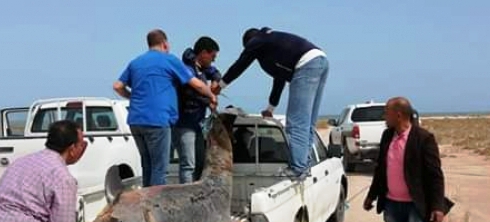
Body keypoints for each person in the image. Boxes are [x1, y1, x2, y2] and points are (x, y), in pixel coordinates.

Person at [362, 97, 449, 222]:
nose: (384, 117)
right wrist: (372, 195)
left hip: (416, 204)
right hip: (392, 203)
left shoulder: (423, 138)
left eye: (386, 113)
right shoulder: (386, 136)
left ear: (398, 115)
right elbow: (380, 170)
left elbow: (435, 175)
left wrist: (438, 206)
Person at [216, 27, 329, 180]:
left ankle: (297, 169)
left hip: (306, 64)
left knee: (296, 123)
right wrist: (270, 109)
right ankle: (304, 164)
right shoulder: (274, 46)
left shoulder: (258, 40)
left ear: (249, 43)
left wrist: (220, 85)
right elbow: (279, 79)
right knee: (307, 122)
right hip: (321, 60)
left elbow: (240, 65)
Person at [113, 29, 217, 187]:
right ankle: (155, 207)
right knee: (159, 169)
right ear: (165, 44)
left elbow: (118, 86)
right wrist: (211, 96)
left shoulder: (136, 62)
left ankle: (146, 206)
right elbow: (196, 84)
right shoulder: (169, 60)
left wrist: (131, 97)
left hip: (135, 120)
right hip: (158, 120)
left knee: (147, 166)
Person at [174, 36, 222, 183]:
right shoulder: (186, 70)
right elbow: (189, 93)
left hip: (197, 124)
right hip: (185, 123)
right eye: (212, 57)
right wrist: (209, 100)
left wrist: (214, 81)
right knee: (188, 164)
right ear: (203, 53)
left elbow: (215, 72)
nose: (213, 60)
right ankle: (187, 195)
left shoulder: (201, 68)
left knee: (200, 162)